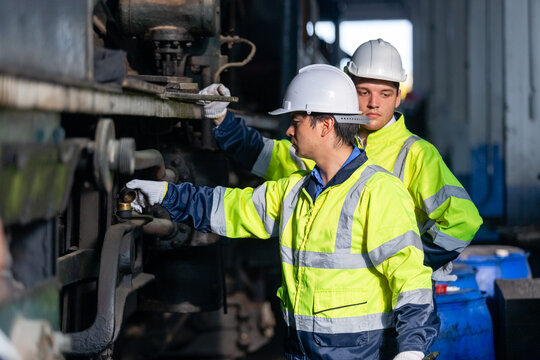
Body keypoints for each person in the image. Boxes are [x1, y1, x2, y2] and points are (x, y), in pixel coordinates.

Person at [127, 64, 438, 360]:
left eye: (297, 121)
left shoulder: (379, 192)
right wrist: (165, 194)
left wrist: (411, 348)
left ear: (325, 125)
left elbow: (411, 281)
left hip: (357, 351)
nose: (289, 130)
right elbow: (227, 208)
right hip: (300, 347)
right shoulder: (293, 192)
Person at [204, 38, 483, 276]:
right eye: (364, 92)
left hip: (391, 305)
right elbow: (264, 155)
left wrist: (415, 264)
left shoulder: (417, 154)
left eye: (385, 94)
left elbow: (462, 221)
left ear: (398, 97)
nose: (374, 103)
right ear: (349, 91)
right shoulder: (326, 140)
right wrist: (221, 118)